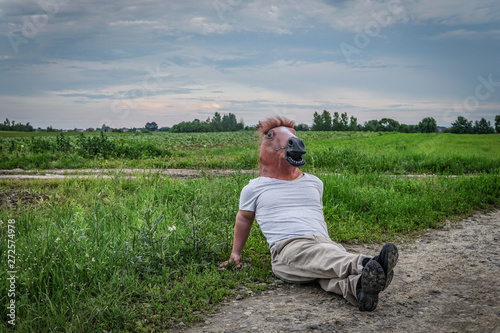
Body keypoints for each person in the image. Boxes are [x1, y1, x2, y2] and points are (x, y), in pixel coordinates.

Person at [219, 116, 398, 311]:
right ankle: (366, 263)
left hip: (324, 243)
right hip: (287, 249)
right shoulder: (254, 188)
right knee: (324, 259)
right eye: (272, 136)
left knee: (324, 271)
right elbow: (244, 218)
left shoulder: (315, 182)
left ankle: (358, 288)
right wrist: (235, 253)